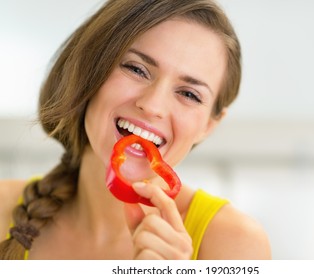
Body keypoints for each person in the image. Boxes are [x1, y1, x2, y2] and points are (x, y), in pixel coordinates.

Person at [0, 0, 271, 260]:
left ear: (209, 125)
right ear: (88, 69)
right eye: (136, 69)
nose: (153, 106)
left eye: (189, 94)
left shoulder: (235, 243)